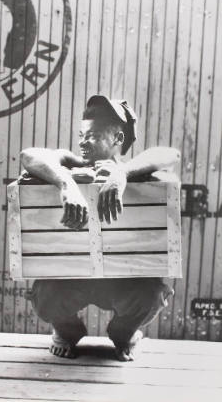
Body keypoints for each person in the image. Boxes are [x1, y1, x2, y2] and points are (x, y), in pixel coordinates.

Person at [20, 95, 180, 361]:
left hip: (123, 281)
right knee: (45, 296)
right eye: (82, 134)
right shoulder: (72, 163)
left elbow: (171, 154)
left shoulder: (135, 170)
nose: (83, 141)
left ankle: (123, 334)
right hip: (73, 278)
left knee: (150, 295)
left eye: (92, 135)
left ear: (118, 139)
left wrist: (122, 175)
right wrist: (66, 184)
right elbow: (29, 155)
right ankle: (67, 332)